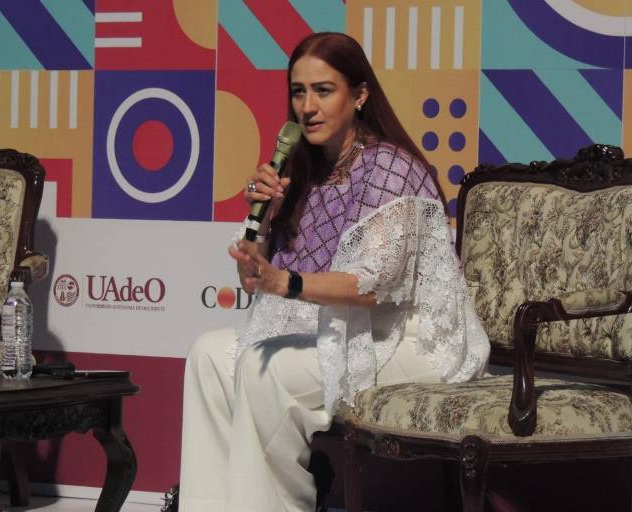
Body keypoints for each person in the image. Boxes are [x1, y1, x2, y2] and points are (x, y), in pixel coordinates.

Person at [176, 32, 490, 512]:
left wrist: (286, 282)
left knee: (265, 370)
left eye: (323, 91)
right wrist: (263, 220)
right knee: (208, 356)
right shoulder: (302, 169)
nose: (308, 107)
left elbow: (371, 288)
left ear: (359, 95)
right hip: (334, 329)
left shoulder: (390, 169)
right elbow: (253, 280)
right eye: (298, 92)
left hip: (406, 340)